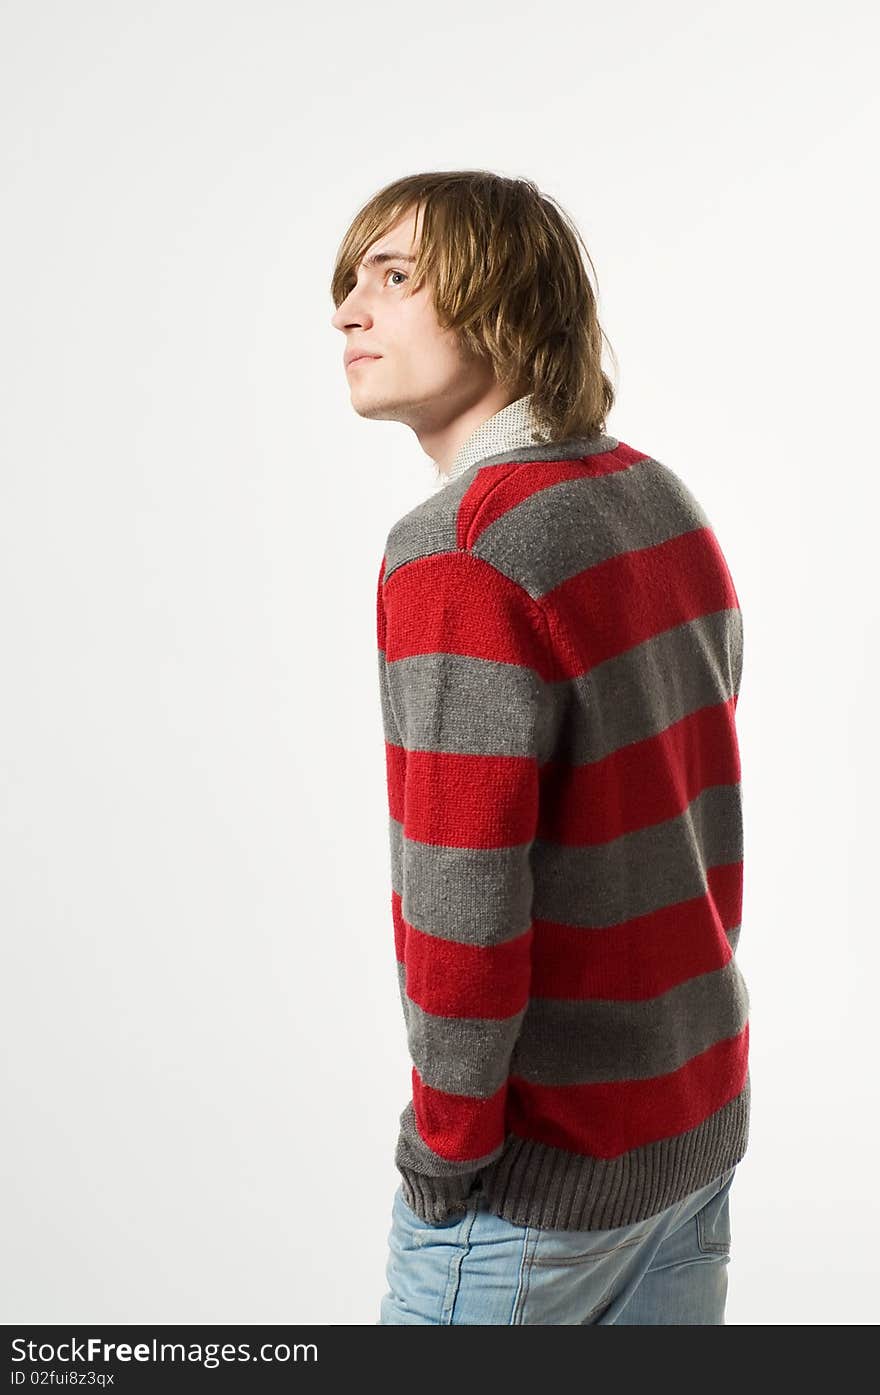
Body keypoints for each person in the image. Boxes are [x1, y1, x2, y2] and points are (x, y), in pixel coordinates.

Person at [329, 171, 749, 1325]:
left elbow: (463, 900)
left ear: (505, 305)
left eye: (396, 276)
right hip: (691, 1124)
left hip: (537, 1196)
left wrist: (445, 1159)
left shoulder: (460, 554)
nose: (348, 310)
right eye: (350, 280)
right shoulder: (654, 499)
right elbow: (695, 814)